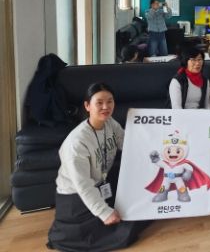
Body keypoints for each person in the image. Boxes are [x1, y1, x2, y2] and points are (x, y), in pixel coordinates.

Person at [47, 83, 148, 251]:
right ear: (87, 106)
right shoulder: (76, 143)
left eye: (110, 101)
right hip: (75, 195)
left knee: (138, 207)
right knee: (121, 231)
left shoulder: (110, 123)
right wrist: (104, 212)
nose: (105, 107)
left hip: (101, 182)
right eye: (99, 102)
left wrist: (153, 151)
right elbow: (83, 185)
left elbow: (128, 144)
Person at [168, 45, 210, 109]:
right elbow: (176, 107)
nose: (197, 63)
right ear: (186, 61)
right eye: (193, 60)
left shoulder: (205, 81)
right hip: (183, 114)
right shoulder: (177, 81)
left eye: (199, 59)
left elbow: (207, 104)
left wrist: (209, 114)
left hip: (201, 113)